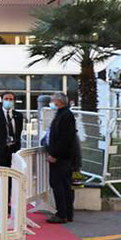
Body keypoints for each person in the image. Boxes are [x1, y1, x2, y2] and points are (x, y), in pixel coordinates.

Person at [46, 92, 77, 224]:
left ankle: (62, 213)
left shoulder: (66, 115)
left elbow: (65, 138)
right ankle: (67, 213)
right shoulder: (62, 114)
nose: (52, 103)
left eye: (53, 101)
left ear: (59, 101)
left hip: (61, 158)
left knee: (58, 184)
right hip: (62, 156)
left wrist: (54, 154)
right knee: (64, 185)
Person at [0, 93, 23, 167]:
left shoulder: (18, 115)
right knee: (0, 173)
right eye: (6, 99)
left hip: (14, 149)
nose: (8, 101)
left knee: (13, 172)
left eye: (11, 99)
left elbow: (19, 131)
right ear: (2, 100)